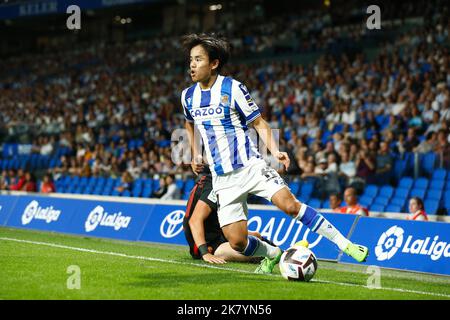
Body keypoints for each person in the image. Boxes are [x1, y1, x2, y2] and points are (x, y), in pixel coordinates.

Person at [181, 33, 368, 274]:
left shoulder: (233, 88)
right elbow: (189, 124)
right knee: (237, 242)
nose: (192, 65)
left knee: (290, 205)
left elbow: (258, 122)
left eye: (198, 59)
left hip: (250, 167)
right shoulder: (188, 96)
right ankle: (273, 253)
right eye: (191, 60)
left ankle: (346, 244)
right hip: (223, 180)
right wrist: (196, 153)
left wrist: (275, 150)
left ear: (214, 63)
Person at [183, 168, 276, 264]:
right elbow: (194, 220)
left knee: (256, 235)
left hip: (217, 233)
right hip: (206, 243)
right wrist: (205, 252)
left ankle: (279, 252)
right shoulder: (214, 186)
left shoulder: (216, 180)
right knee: (245, 253)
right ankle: (274, 256)